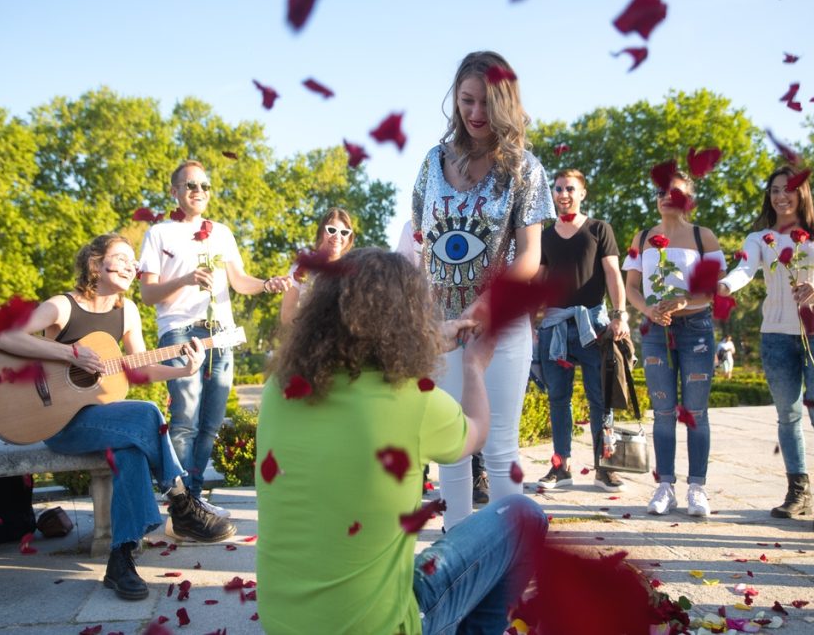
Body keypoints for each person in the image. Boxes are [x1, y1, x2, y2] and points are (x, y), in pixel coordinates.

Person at [256, 248, 548, 634]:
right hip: (383, 627)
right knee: (524, 516)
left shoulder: (278, 391)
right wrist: (473, 367)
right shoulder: (414, 402)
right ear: (406, 320)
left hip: (285, 626)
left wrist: (432, 338)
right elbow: (476, 431)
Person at [0, 233, 236, 600]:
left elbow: (138, 368)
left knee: (131, 451)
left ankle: (120, 560)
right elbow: (5, 337)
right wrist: (71, 354)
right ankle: (182, 502)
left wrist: (184, 371)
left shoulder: (128, 311)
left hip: (101, 420)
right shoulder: (63, 305)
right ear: (95, 264)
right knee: (149, 413)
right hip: (59, 422)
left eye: (132, 261)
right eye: (120, 258)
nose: (131, 265)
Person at [411, 50, 556, 528]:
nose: (475, 115)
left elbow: (530, 256)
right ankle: (456, 558)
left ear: (506, 105)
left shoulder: (525, 169)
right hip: (440, 327)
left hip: (500, 327)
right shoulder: (432, 163)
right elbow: (420, 240)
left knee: (498, 449)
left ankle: (505, 565)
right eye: (467, 101)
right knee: (449, 448)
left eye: (487, 105)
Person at [138, 160, 292, 509]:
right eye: (191, 185)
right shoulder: (159, 233)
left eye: (205, 186)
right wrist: (186, 279)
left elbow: (239, 281)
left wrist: (268, 284)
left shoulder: (221, 232)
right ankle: (179, 503)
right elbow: (147, 295)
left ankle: (192, 497)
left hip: (221, 334)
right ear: (174, 191)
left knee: (210, 423)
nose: (199, 192)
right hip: (180, 331)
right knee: (185, 420)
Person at [719, 166, 814, 530]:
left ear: (803, 192)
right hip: (776, 336)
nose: (781, 196)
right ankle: (799, 492)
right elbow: (743, 270)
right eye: (774, 190)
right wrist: (725, 286)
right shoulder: (760, 237)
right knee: (788, 416)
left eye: (788, 189)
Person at [624, 170, 726, 517]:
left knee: (696, 412)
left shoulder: (703, 236)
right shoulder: (641, 237)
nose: (666, 196)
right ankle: (664, 486)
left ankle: (697, 486)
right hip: (656, 331)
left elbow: (716, 287)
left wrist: (684, 301)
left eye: (676, 191)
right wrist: (648, 310)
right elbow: (631, 288)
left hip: (696, 328)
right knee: (663, 411)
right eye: (660, 190)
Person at [534, 169, 630, 491]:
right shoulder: (545, 236)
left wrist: (620, 315)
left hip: (594, 326)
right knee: (558, 399)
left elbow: (614, 274)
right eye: (558, 189)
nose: (563, 194)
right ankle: (561, 467)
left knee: (600, 398)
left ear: (582, 193)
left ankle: (605, 467)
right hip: (555, 327)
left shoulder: (599, 229)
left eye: (570, 189)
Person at [280, 207, 355, 325]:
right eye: (332, 230)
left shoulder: (350, 274)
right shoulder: (302, 266)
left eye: (344, 233)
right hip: (304, 336)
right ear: (321, 232)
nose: (337, 236)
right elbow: (286, 315)